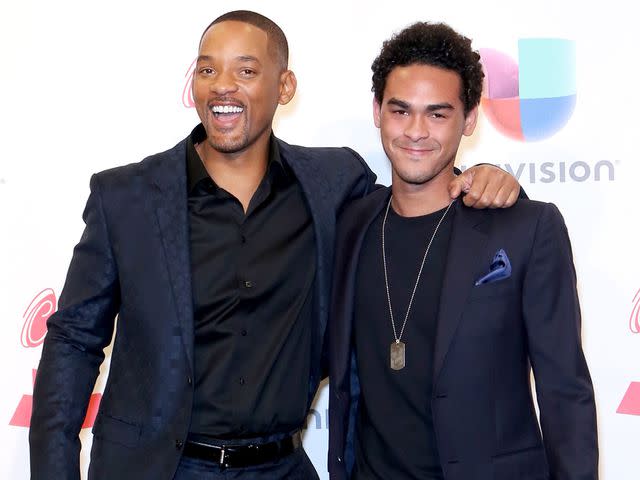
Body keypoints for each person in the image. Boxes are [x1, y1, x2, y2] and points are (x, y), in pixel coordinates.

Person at [29, 11, 521, 480]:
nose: (223, 84)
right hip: (157, 469)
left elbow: (413, 200)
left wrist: (476, 176)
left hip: (282, 467)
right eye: (207, 69)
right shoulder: (126, 197)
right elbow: (73, 340)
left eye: (246, 69)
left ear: (284, 87)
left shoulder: (333, 184)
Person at [328, 22, 598, 480]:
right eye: (400, 111)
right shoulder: (352, 221)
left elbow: (564, 391)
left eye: (438, 114)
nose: (416, 132)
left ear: (469, 119)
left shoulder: (525, 227)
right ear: (377, 111)